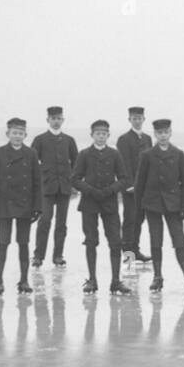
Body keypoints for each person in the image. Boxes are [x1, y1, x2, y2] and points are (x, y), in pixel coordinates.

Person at [133, 118, 184, 292]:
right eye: (159, 133)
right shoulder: (147, 155)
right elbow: (139, 183)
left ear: (170, 133)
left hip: (174, 204)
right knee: (155, 240)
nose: (163, 136)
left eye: (166, 132)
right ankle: (157, 277)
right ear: (155, 134)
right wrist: (138, 209)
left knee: (179, 240)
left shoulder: (178, 154)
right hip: (153, 204)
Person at [69, 119, 130, 295]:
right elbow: (74, 179)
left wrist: (110, 190)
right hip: (89, 204)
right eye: (98, 134)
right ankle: (92, 280)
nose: (101, 137)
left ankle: (116, 281)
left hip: (110, 204)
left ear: (108, 136)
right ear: (92, 135)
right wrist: (90, 190)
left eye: (104, 134)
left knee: (116, 243)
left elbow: (124, 179)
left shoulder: (115, 154)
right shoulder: (84, 154)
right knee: (90, 241)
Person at [0, 117, 44, 295]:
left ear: (25, 135)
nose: (17, 136)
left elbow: (37, 183)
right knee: (3, 243)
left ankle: (24, 280)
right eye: (14, 133)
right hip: (4, 205)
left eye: (20, 133)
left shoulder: (31, 154)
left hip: (25, 205)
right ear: (8, 134)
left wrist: (38, 207)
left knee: (24, 243)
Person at [30, 106, 79, 268]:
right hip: (46, 187)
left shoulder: (69, 140)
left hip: (64, 187)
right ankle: (38, 256)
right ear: (48, 120)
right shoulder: (40, 139)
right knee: (44, 221)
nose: (56, 121)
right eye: (53, 118)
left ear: (63, 120)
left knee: (61, 223)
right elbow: (31, 162)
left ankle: (58, 255)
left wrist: (72, 181)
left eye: (59, 118)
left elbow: (76, 163)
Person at [116, 106, 153, 264]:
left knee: (139, 219)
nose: (137, 121)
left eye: (140, 118)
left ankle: (136, 250)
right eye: (134, 118)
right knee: (130, 218)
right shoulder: (124, 139)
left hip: (144, 187)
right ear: (129, 120)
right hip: (130, 187)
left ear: (144, 119)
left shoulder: (147, 139)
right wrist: (130, 184)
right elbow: (123, 164)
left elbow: (149, 163)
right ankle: (128, 252)